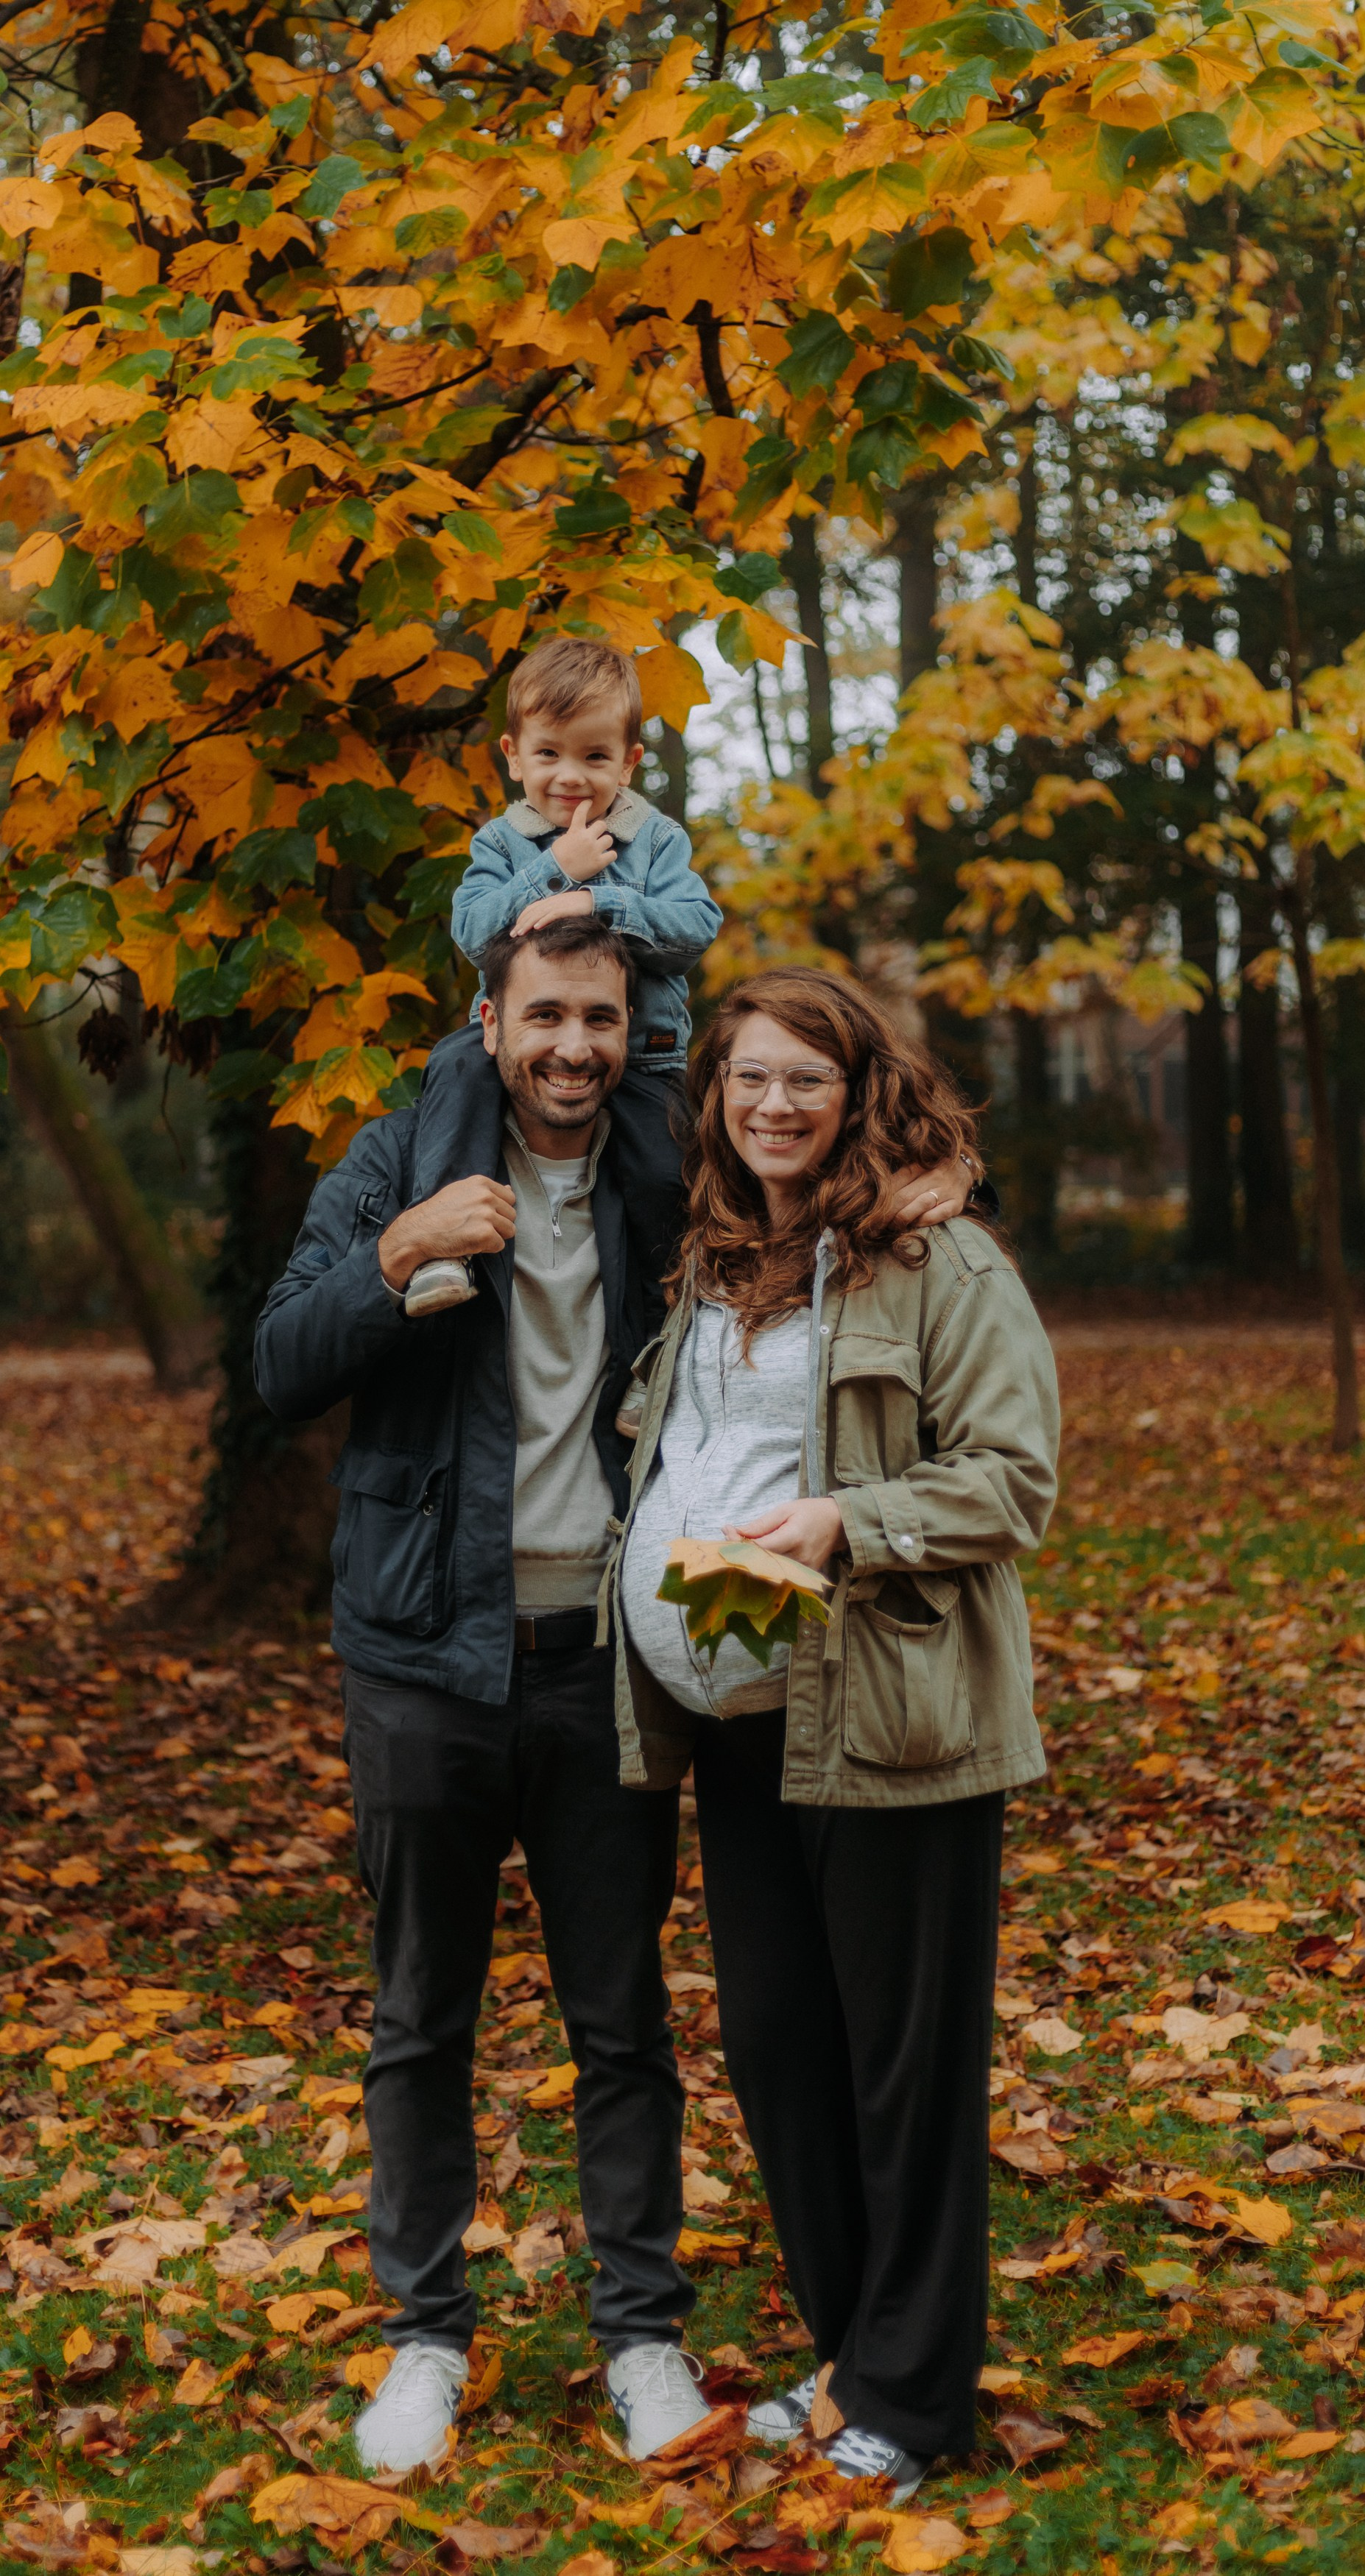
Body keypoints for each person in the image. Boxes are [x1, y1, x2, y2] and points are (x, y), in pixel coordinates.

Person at [253, 916, 712, 2476]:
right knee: (417, 2015)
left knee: (621, 2018)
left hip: (607, 1658)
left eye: (598, 1017)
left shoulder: (676, 1162)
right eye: (545, 1016)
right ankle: (423, 2340)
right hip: (419, 1662)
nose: (571, 1045)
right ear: (490, 1016)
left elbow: (836, 1202)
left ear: (630, 1028)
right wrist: (392, 1260)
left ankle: (640, 2334)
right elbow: (279, 1363)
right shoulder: (394, 1157)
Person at [604, 968, 1059, 2495]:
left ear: (860, 1088)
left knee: (900, 2076)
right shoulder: (712, 1258)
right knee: (783, 2058)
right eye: (745, 1080)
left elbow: (1011, 1478)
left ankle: (911, 2400)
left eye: (804, 1077)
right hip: (740, 1727)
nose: (773, 1106)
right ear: (715, 1099)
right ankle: (852, 2351)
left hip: (890, 1724)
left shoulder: (939, 1261)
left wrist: (843, 1521)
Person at [399, 634, 722, 1319]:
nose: (570, 776)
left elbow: (694, 927)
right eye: (548, 753)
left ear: (629, 764)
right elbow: (472, 932)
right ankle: (443, 1249)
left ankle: (656, 1344)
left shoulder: (657, 841)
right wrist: (555, 872)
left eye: (595, 756)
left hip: (642, 1057)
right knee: (453, 1077)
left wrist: (598, 900)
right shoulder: (499, 843)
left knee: (663, 1183)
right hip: (516, 1047)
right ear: (513, 755)